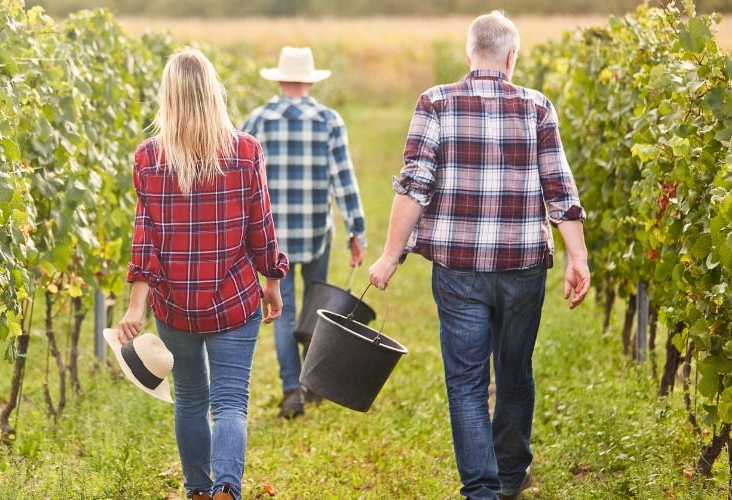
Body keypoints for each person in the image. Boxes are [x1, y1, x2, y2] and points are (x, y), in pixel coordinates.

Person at [368, 12, 590, 500]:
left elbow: (415, 187)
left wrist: (389, 256)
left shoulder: (437, 102)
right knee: (515, 370)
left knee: (467, 382)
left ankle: (482, 491)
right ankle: (510, 476)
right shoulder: (537, 106)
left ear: (469, 54)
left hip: (459, 270)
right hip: (523, 267)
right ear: (512, 57)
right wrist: (579, 258)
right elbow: (560, 187)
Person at [117, 48, 289, 500]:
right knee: (230, 402)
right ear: (213, 92)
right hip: (233, 300)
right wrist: (272, 282)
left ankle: (197, 490)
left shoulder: (148, 158)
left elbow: (144, 239)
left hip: (175, 307)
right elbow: (261, 227)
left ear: (168, 98)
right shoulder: (245, 150)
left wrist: (137, 306)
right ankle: (226, 489)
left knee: (191, 399)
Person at [242, 46, 366, 419]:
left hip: (271, 238)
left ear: (280, 79)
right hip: (316, 233)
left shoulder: (258, 120)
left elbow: (241, 180)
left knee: (283, 310)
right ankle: (313, 384)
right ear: (309, 81)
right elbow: (344, 180)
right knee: (318, 308)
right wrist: (355, 231)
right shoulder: (328, 120)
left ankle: (292, 390)